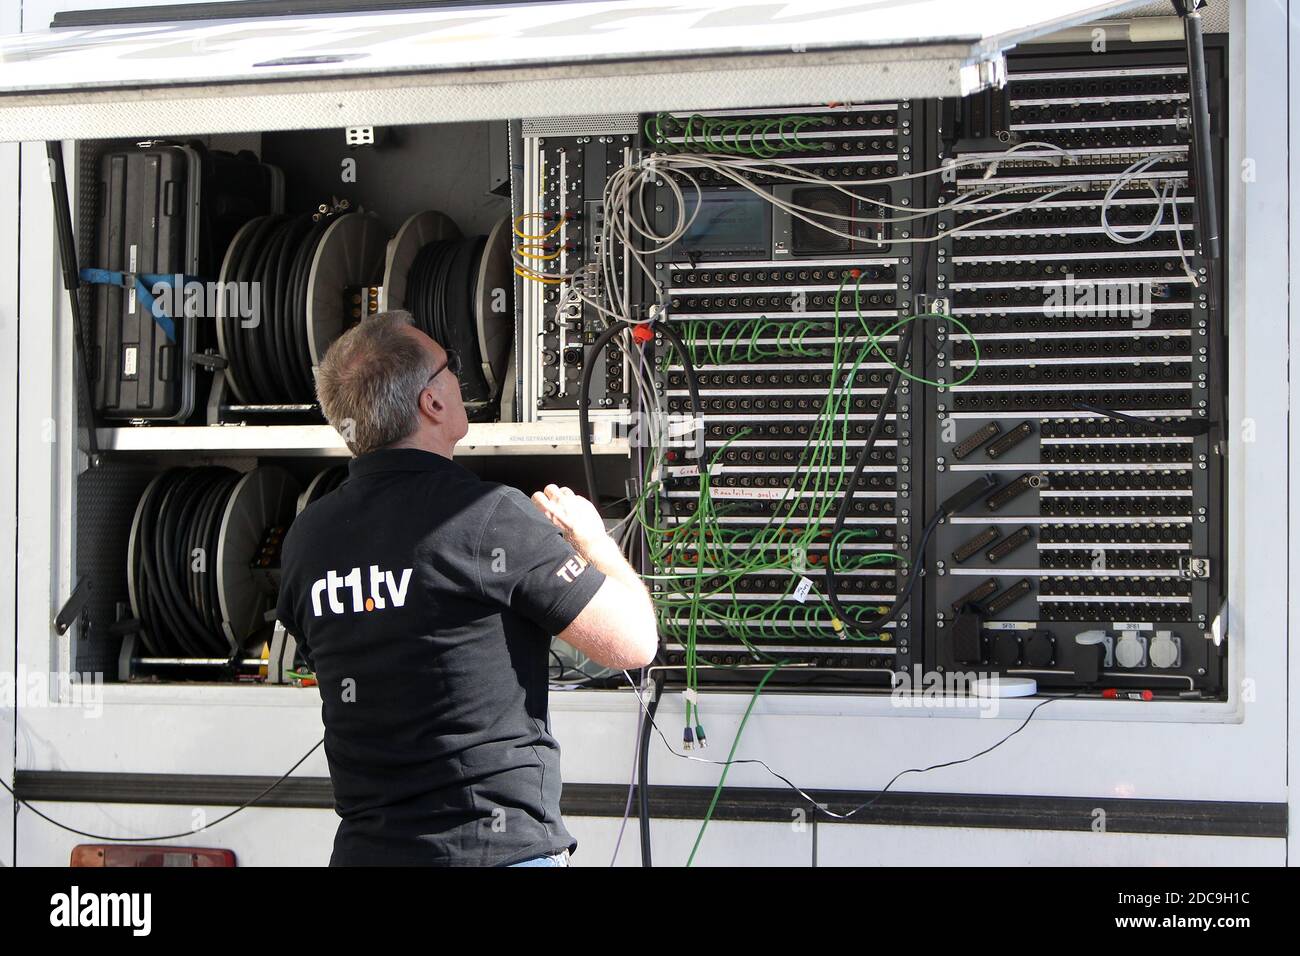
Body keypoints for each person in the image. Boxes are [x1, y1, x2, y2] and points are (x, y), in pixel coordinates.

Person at [276, 310, 657, 867]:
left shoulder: (307, 538)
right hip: (492, 850)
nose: (458, 376)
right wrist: (594, 542)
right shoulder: (488, 517)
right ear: (430, 403)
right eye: (448, 365)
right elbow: (633, 644)